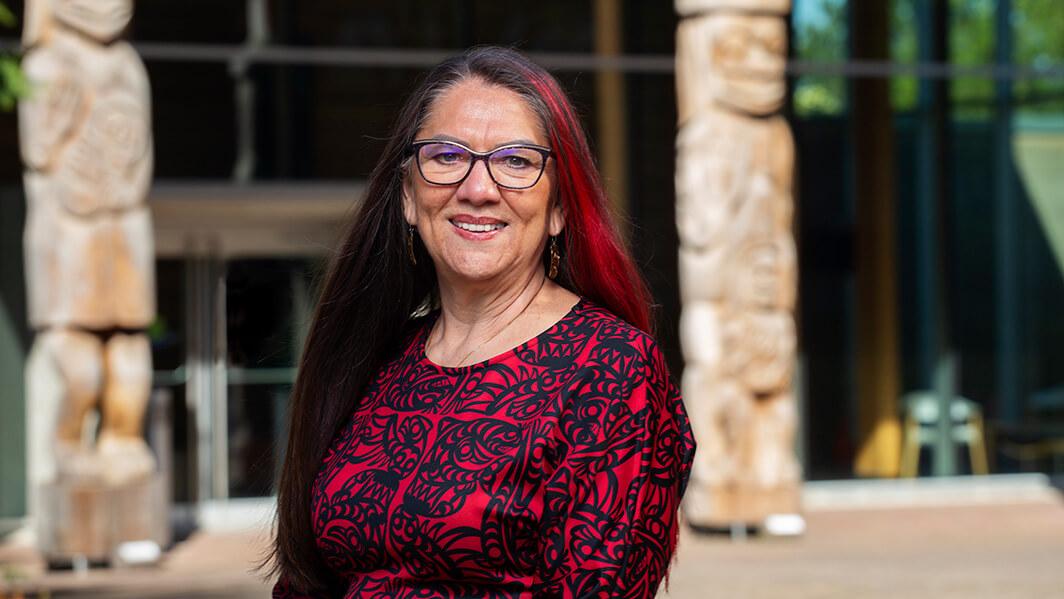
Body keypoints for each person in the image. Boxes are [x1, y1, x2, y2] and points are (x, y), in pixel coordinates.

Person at [269, 46, 696, 598]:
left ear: (560, 208)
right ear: (406, 194)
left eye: (516, 161)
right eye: (447, 155)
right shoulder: (375, 360)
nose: (477, 188)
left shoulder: (610, 368)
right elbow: (304, 581)